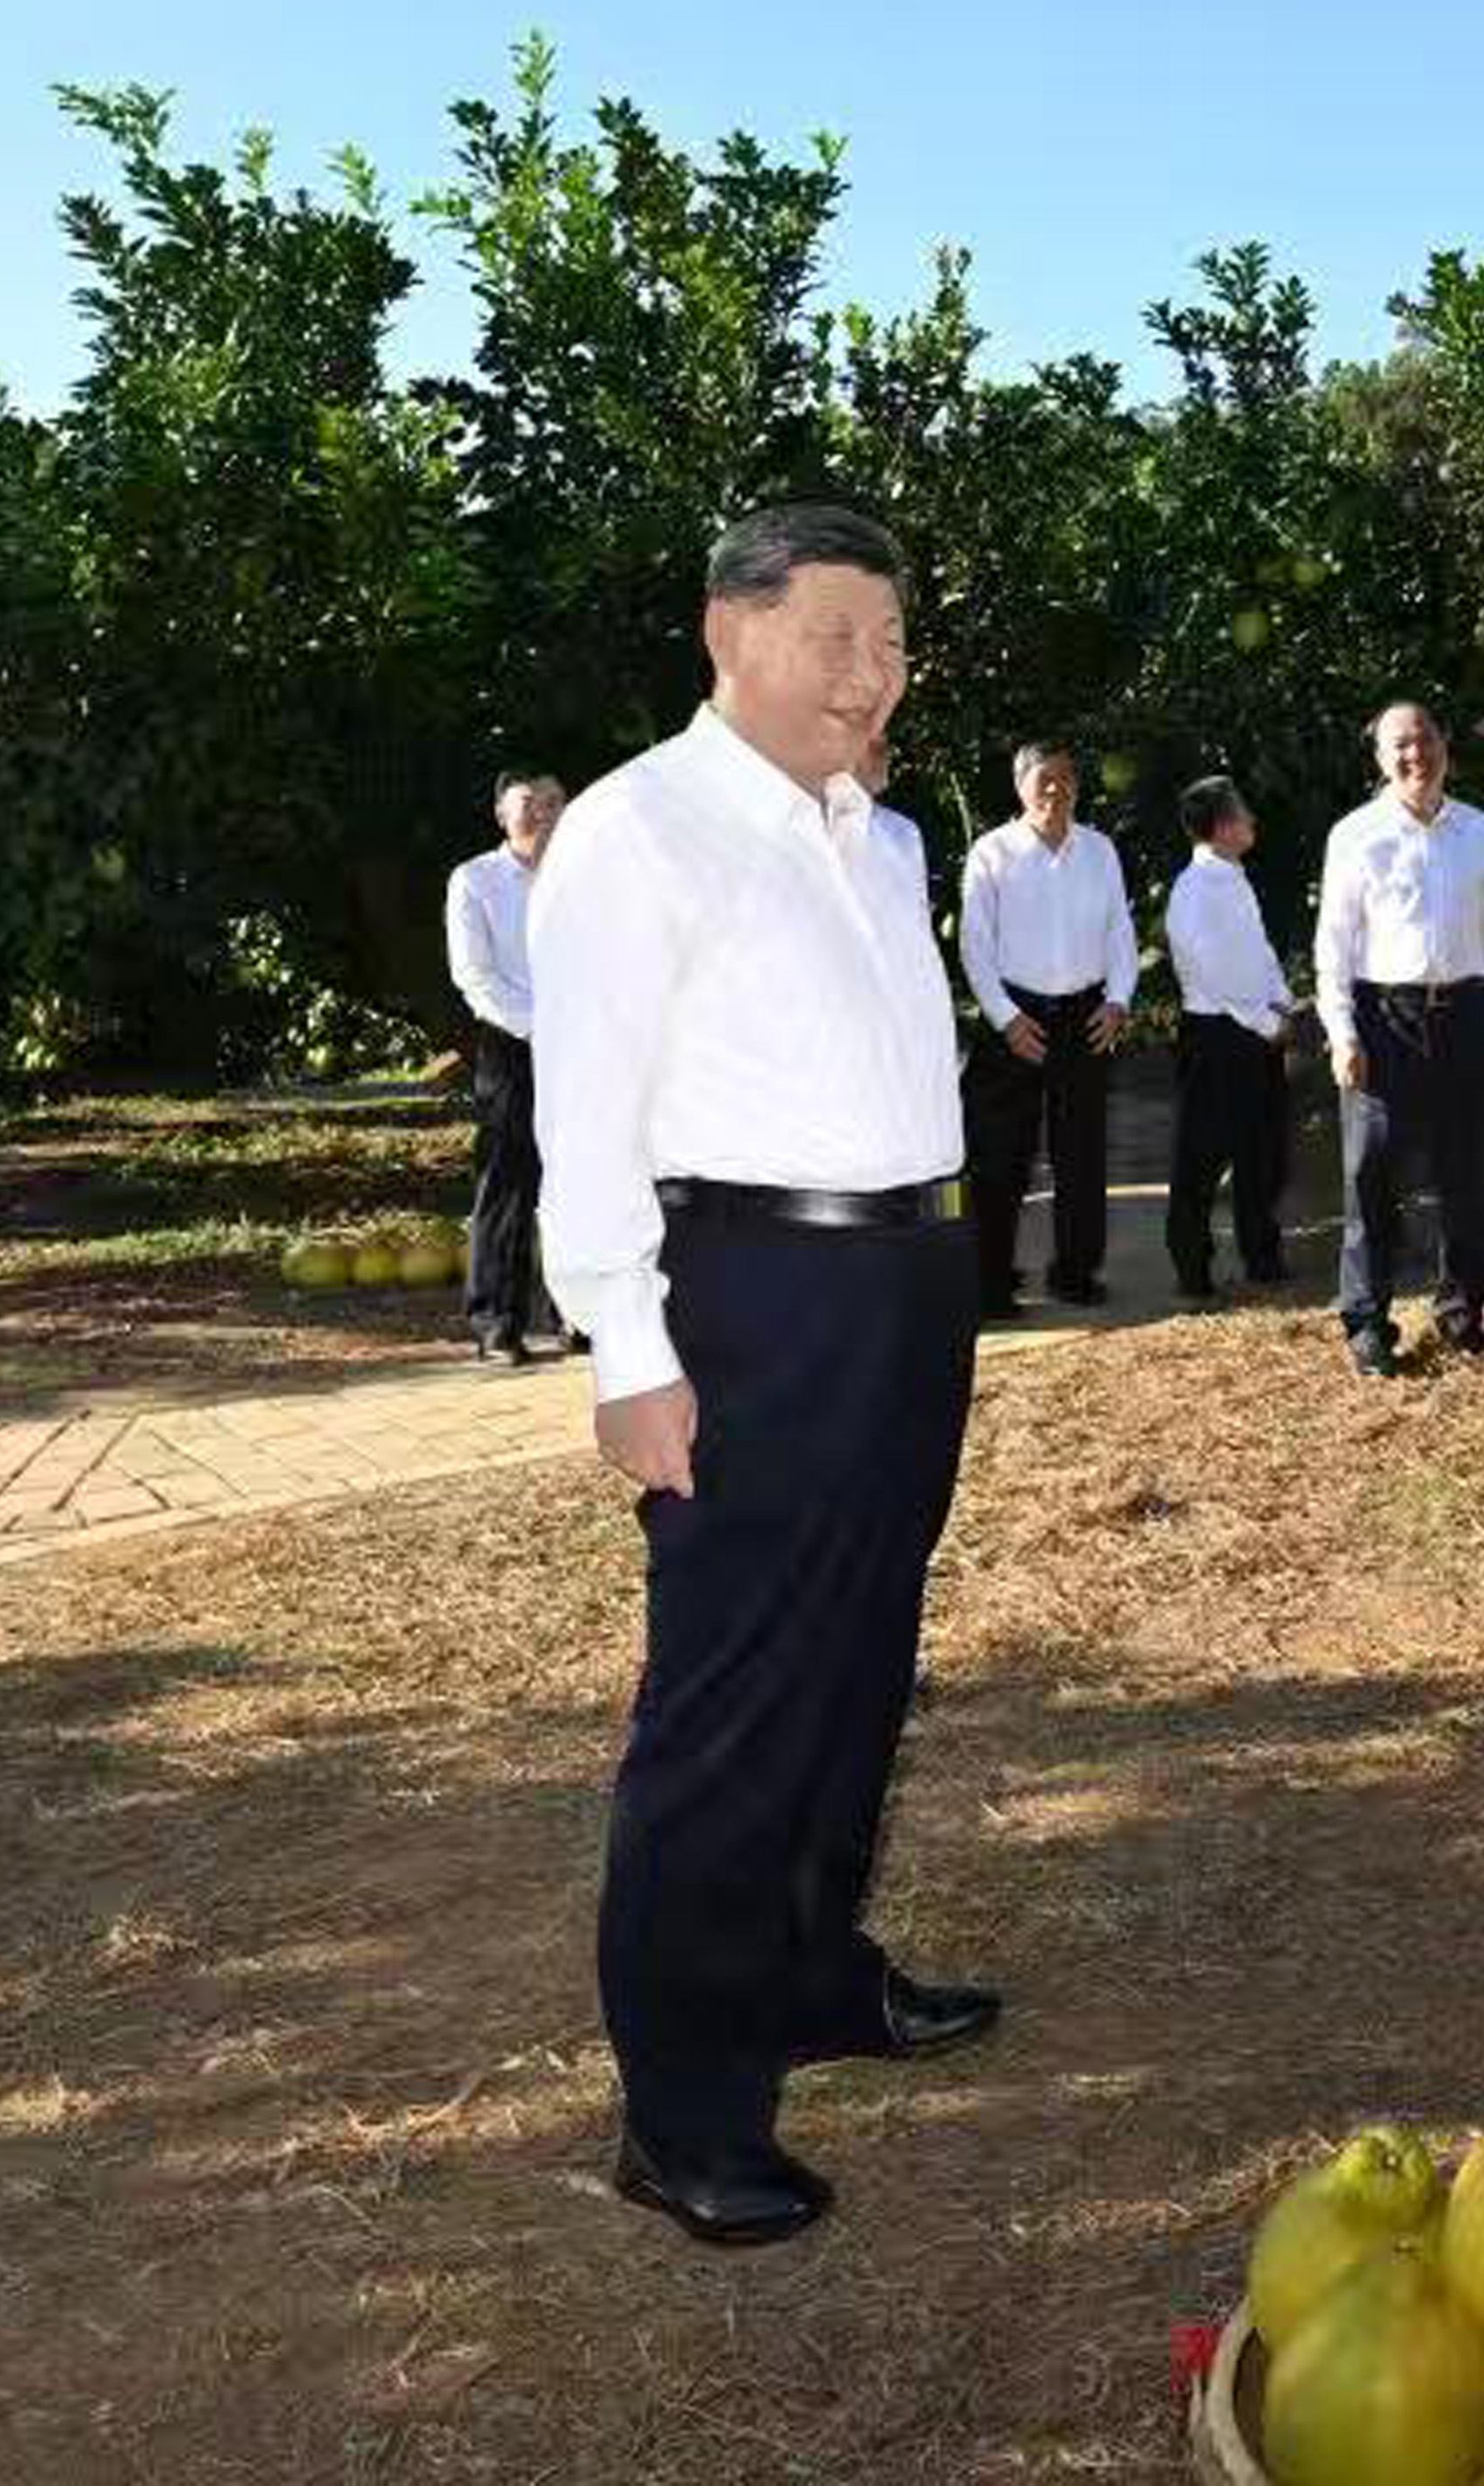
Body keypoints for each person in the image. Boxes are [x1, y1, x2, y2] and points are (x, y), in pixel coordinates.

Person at [531, 503, 997, 2248]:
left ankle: (813, 1973)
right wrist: (626, 1349)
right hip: (751, 1292)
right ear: (730, 631)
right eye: (836, 640)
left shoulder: (879, 834)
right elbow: (585, 1112)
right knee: (728, 1703)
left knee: (862, 1658)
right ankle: (685, 2107)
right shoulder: (638, 832)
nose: (871, 680)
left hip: (904, 1279)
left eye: (892, 646)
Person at [1315, 701, 1484, 1377]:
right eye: (1400, 745)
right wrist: (1342, 1031)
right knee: (1373, 1176)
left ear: (1445, 745)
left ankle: (1463, 1314)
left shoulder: (1477, 831)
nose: (1416, 755)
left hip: (1463, 1014)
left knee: (1467, 1174)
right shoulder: (1355, 835)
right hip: (1385, 1019)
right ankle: (1368, 1324)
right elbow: (1334, 949)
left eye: (1426, 739)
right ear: (1380, 758)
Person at [960, 744, 1138, 1316]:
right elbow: (975, 945)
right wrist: (1005, 1019)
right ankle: (991, 1281)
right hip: (1014, 1017)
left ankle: (1075, 1272)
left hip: (1084, 1017)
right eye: (1045, 779)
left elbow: (1120, 931)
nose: (1056, 790)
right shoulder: (992, 852)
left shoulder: (1100, 850)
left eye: (1066, 779)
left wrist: (1118, 1000)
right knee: (999, 1157)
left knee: (1082, 1154)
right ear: (1021, 786)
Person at [443, 770, 566, 1364]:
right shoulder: (475, 880)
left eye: (552, 802)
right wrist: (541, 1025)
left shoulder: (586, 878)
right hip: (512, 1043)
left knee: (582, 1183)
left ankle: (576, 1313)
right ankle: (496, 1323)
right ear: (500, 814)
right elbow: (474, 975)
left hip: (584, 1045)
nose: (541, 812)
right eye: (527, 803)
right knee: (508, 1185)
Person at [1163, 775, 1293, 1299]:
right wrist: (1265, 1022)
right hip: (1217, 1035)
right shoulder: (1192, 889)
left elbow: (1256, 950)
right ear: (1220, 827)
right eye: (1243, 814)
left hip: (1256, 1026)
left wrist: (1281, 1000)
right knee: (1202, 1156)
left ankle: (1262, 1255)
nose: (1253, 821)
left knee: (1263, 1149)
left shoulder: (1235, 877)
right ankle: (1192, 1268)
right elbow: (1212, 969)